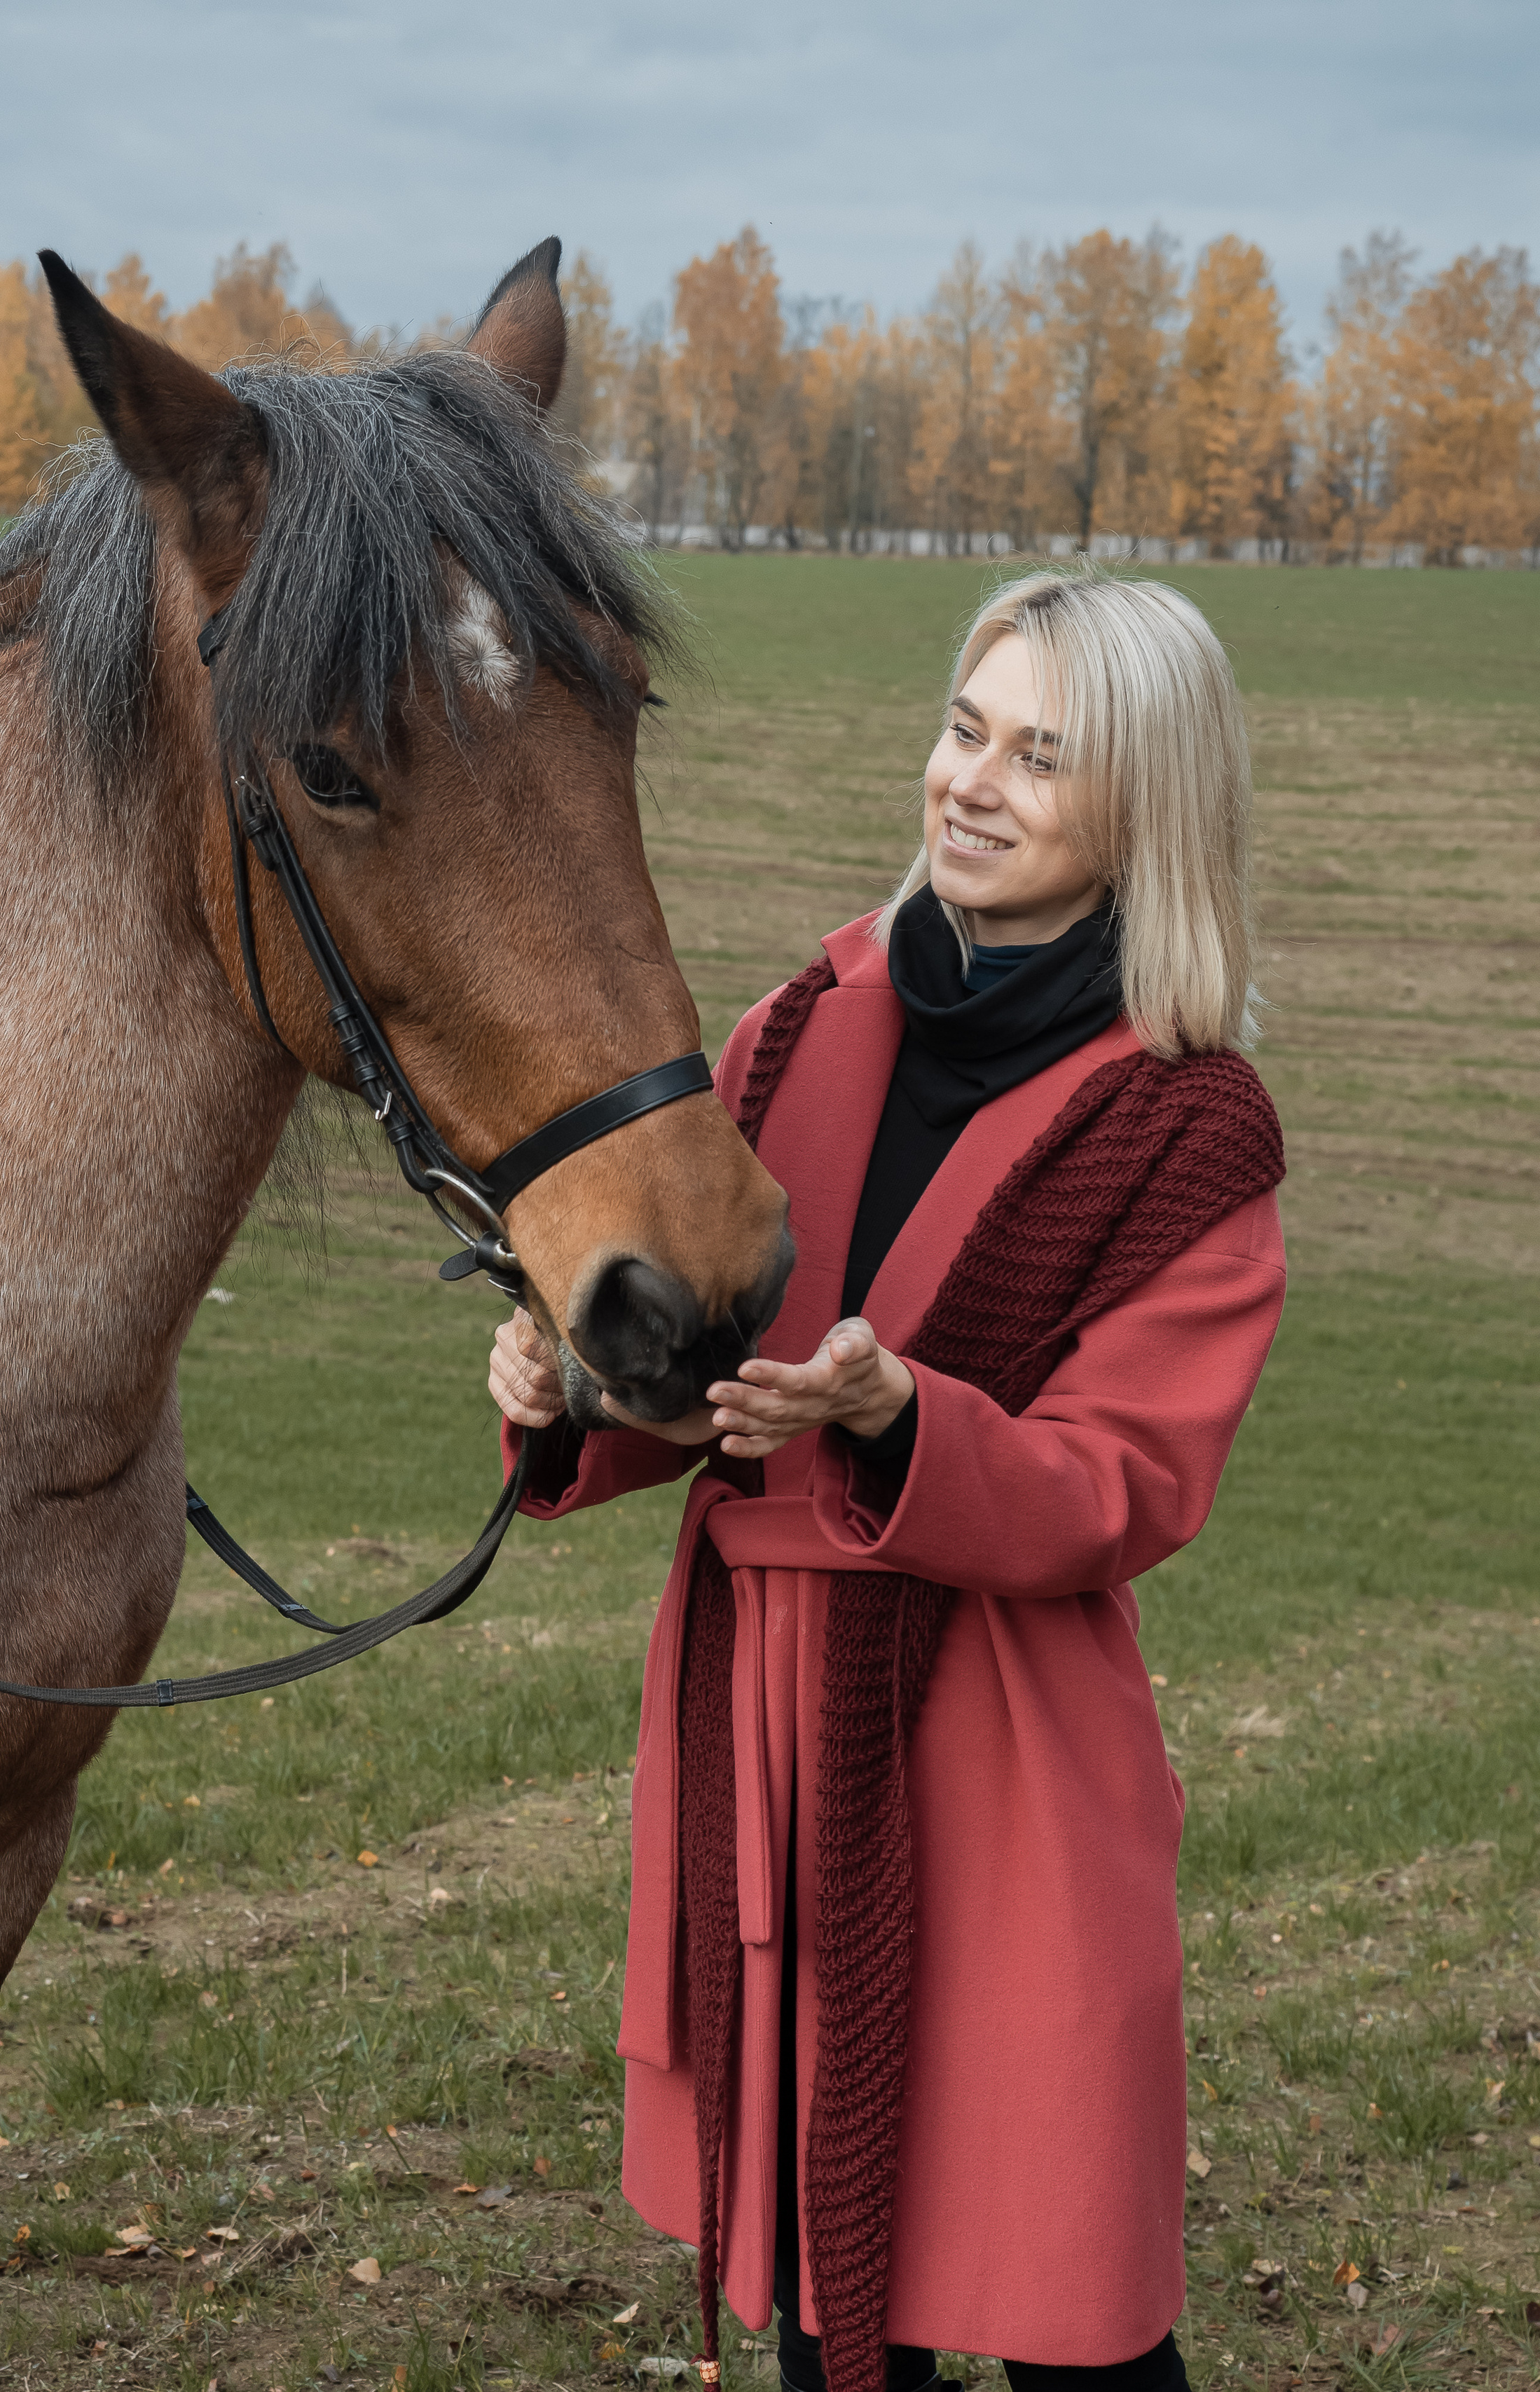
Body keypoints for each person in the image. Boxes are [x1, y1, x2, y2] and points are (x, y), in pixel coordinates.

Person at [488, 570, 1286, 2392]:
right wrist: (568, 1397)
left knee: (1066, 2289)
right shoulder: (794, 1029)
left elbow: (1124, 1485)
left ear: (1146, 807)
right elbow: (692, 1370)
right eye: (963, 728)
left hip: (1003, 1761)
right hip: (761, 1744)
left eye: (1043, 757)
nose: (973, 782)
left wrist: (897, 1415)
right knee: (839, 2292)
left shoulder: (1187, 1121)